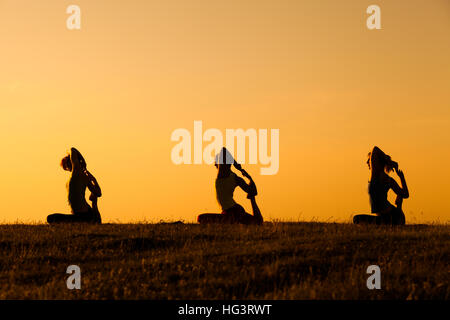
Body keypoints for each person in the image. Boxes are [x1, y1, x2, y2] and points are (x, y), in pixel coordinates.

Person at [197, 148, 263, 225]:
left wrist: (236, 165)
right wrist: (250, 179)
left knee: (200, 218)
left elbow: (224, 150)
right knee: (257, 222)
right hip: (235, 211)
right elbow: (252, 191)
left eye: (216, 162)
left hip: (232, 211)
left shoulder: (222, 174)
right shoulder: (236, 178)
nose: (215, 164)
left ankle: (231, 221)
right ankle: (233, 221)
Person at [353, 146, 409, 225]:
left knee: (356, 219)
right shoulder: (389, 179)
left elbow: (375, 149)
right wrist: (402, 178)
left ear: (375, 163)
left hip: (393, 217)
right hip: (396, 217)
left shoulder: (375, 175)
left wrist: (389, 162)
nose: (367, 162)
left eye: (369, 160)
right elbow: (405, 194)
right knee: (357, 219)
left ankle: (390, 224)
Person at [47, 147, 102, 224]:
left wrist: (83, 161)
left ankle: (90, 219)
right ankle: (92, 219)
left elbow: (72, 149)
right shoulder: (82, 176)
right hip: (83, 213)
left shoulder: (76, 172)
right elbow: (98, 193)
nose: (66, 168)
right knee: (51, 218)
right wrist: (94, 180)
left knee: (51, 218)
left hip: (83, 214)